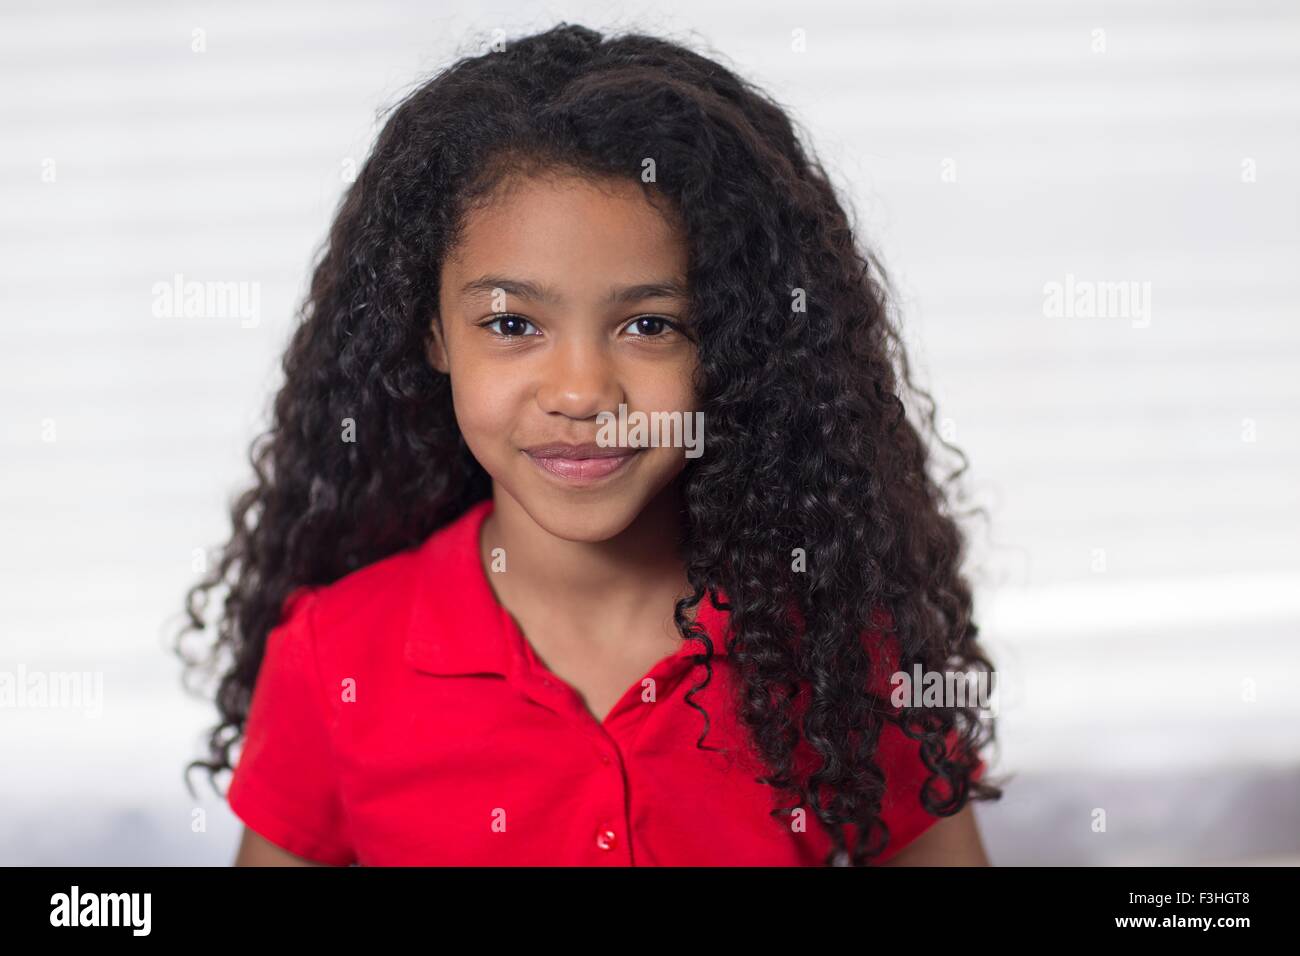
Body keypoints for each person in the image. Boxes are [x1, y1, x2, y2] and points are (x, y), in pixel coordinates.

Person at [175, 22, 1001, 866]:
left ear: (735, 344)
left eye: (649, 324)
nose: (579, 393)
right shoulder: (332, 659)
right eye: (511, 323)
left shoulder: (834, 648)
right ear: (433, 333)